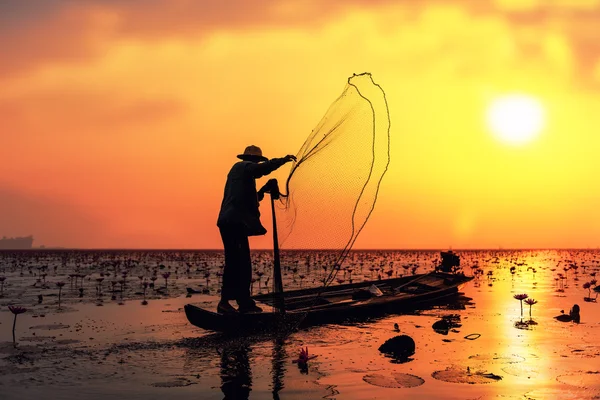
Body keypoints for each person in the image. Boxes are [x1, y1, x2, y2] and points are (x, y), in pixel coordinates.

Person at [217, 145, 296, 314]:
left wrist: (264, 189)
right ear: (252, 160)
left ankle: (244, 302)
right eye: (256, 161)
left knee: (243, 264)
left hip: (235, 222)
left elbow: (251, 200)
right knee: (234, 263)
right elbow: (261, 169)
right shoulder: (241, 167)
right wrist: (282, 160)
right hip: (232, 222)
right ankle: (225, 303)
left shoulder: (244, 179)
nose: (256, 164)